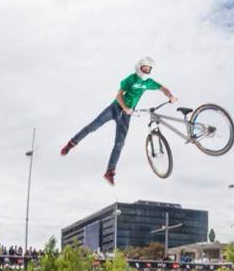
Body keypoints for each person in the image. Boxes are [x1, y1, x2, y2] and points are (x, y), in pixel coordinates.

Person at [60, 57, 177, 185]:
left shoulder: (148, 82)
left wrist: (170, 96)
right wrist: (125, 107)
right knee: (92, 127)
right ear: (139, 67)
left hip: (126, 115)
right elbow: (119, 95)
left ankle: (109, 172)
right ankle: (71, 143)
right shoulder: (130, 79)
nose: (147, 70)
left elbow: (163, 88)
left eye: (149, 69)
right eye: (145, 68)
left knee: (119, 143)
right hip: (115, 108)